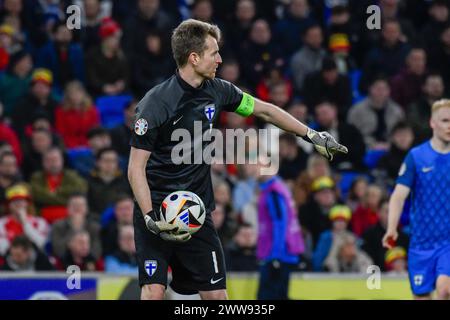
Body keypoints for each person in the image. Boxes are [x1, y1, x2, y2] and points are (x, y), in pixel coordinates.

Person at [128, 19, 347, 301]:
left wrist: (311, 134)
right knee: (153, 291)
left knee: (218, 295)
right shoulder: (155, 104)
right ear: (193, 58)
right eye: (213, 53)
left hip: (195, 213)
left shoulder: (218, 90)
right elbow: (136, 169)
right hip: (157, 211)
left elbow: (265, 111)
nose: (220, 59)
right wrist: (149, 218)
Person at [383, 99, 450, 300]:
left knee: (445, 290)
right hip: (421, 243)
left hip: (448, 241)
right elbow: (398, 196)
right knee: (421, 297)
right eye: (445, 120)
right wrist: (391, 228)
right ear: (432, 123)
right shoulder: (417, 156)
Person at [256, 155, 304, 300]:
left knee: (267, 298)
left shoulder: (274, 192)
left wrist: (275, 257)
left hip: (277, 254)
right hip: (279, 253)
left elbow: (280, 224)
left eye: (259, 165)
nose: (255, 169)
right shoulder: (276, 189)